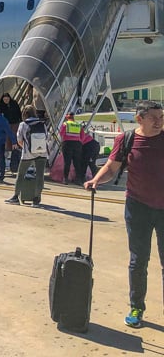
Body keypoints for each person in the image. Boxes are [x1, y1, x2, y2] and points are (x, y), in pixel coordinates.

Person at [85, 100, 164, 329]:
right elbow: (111, 168)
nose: (159, 122)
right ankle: (136, 306)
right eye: (154, 118)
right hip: (137, 207)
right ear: (139, 119)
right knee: (138, 261)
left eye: (162, 117)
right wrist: (96, 180)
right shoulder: (127, 139)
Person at [5, 106, 46, 207]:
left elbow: (19, 140)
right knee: (40, 176)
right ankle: (36, 199)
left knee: (21, 174)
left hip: (28, 154)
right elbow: (46, 137)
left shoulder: (23, 124)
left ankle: (15, 196)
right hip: (42, 152)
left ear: (25, 114)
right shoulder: (42, 124)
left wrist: (26, 148)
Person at [59, 113, 85, 184]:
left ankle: (65, 179)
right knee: (77, 162)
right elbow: (83, 136)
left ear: (67, 117)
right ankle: (78, 179)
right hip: (77, 144)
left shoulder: (65, 124)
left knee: (67, 162)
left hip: (67, 143)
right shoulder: (79, 125)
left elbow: (61, 133)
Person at [0, 93, 22, 173]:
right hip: (6, 125)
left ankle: (15, 160)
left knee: (15, 140)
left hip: (15, 123)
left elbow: (19, 112)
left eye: (7, 99)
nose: (6, 101)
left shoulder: (14, 103)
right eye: (4, 99)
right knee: (7, 142)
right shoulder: (1, 106)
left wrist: (20, 121)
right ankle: (7, 162)